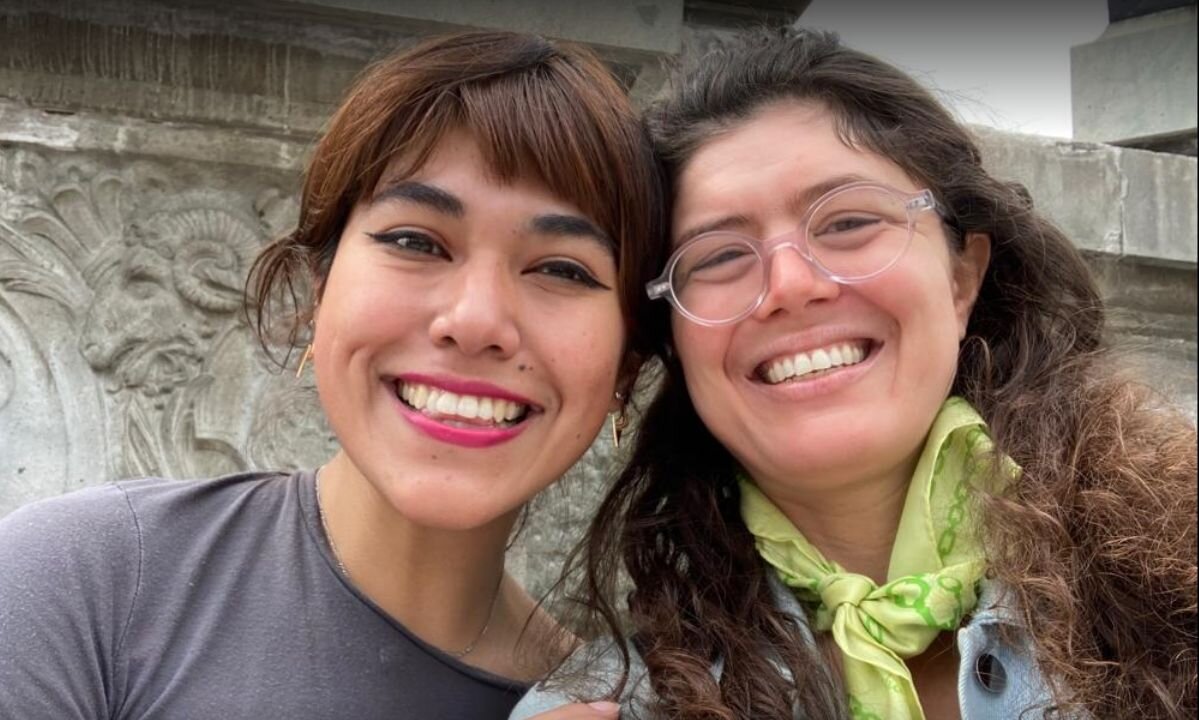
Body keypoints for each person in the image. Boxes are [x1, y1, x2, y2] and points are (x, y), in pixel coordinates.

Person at [513, 26, 1197, 720]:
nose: (789, 285)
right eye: (718, 256)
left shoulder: (1178, 588)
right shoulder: (603, 706)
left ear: (961, 278)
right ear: (675, 340)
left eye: (846, 223)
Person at [0, 31, 666, 719]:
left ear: (627, 364)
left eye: (562, 270)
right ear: (318, 291)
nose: (474, 321)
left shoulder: (618, 707)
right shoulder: (82, 582)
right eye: (415, 241)